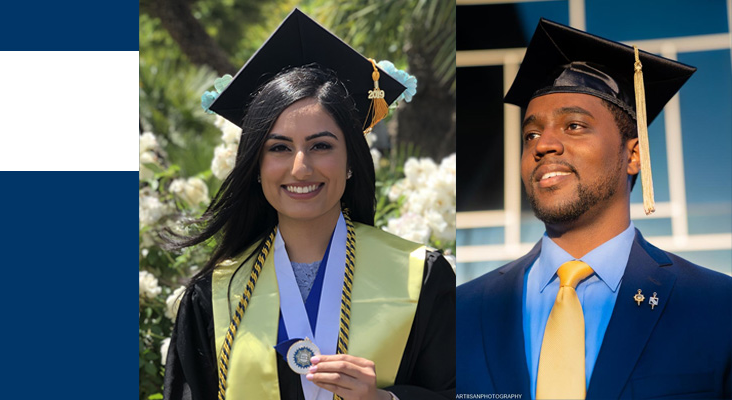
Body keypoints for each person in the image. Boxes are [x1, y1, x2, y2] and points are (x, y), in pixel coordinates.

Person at [163, 9, 454, 400]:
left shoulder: (420, 277)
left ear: (351, 160)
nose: (301, 168)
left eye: (321, 146)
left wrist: (385, 399)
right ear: (255, 165)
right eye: (279, 148)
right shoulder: (213, 295)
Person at [456, 19, 732, 399]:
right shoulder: (465, 311)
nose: (544, 145)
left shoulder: (716, 307)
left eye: (574, 125)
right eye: (531, 134)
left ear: (634, 155)